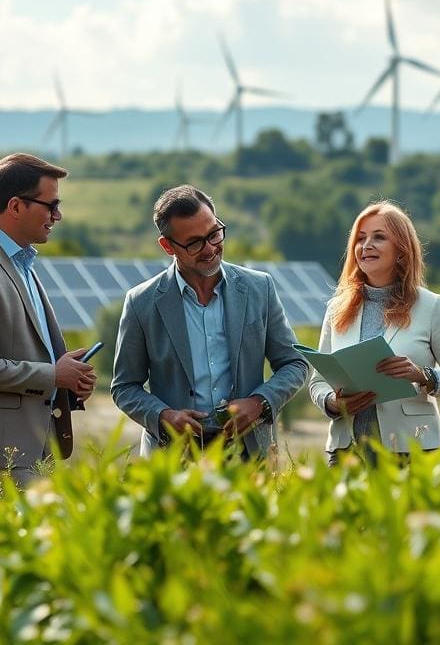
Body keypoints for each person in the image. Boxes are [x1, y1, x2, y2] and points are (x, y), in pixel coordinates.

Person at [111, 184, 307, 458]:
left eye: (214, 234)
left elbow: (294, 364)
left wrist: (259, 403)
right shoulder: (141, 302)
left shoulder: (259, 288)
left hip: (249, 453)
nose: (210, 249)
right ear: (167, 246)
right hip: (173, 459)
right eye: (194, 243)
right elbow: (124, 387)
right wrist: (164, 416)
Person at [0, 153, 97, 487]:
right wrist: (54, 375)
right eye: (50, 205)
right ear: (15, 206)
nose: (58, 215)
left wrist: (66, 378)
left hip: (29, 445)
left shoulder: (17, 261)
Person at [308, 201, 440, 463]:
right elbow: (318, 382)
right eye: (360, 238)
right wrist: (331, 402)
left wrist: (423, 375)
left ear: (401, 250)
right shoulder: (336, 308)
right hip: (346, 452)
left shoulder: (432, 307)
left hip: (411, 450)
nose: (366, 245)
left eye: (379, 237)